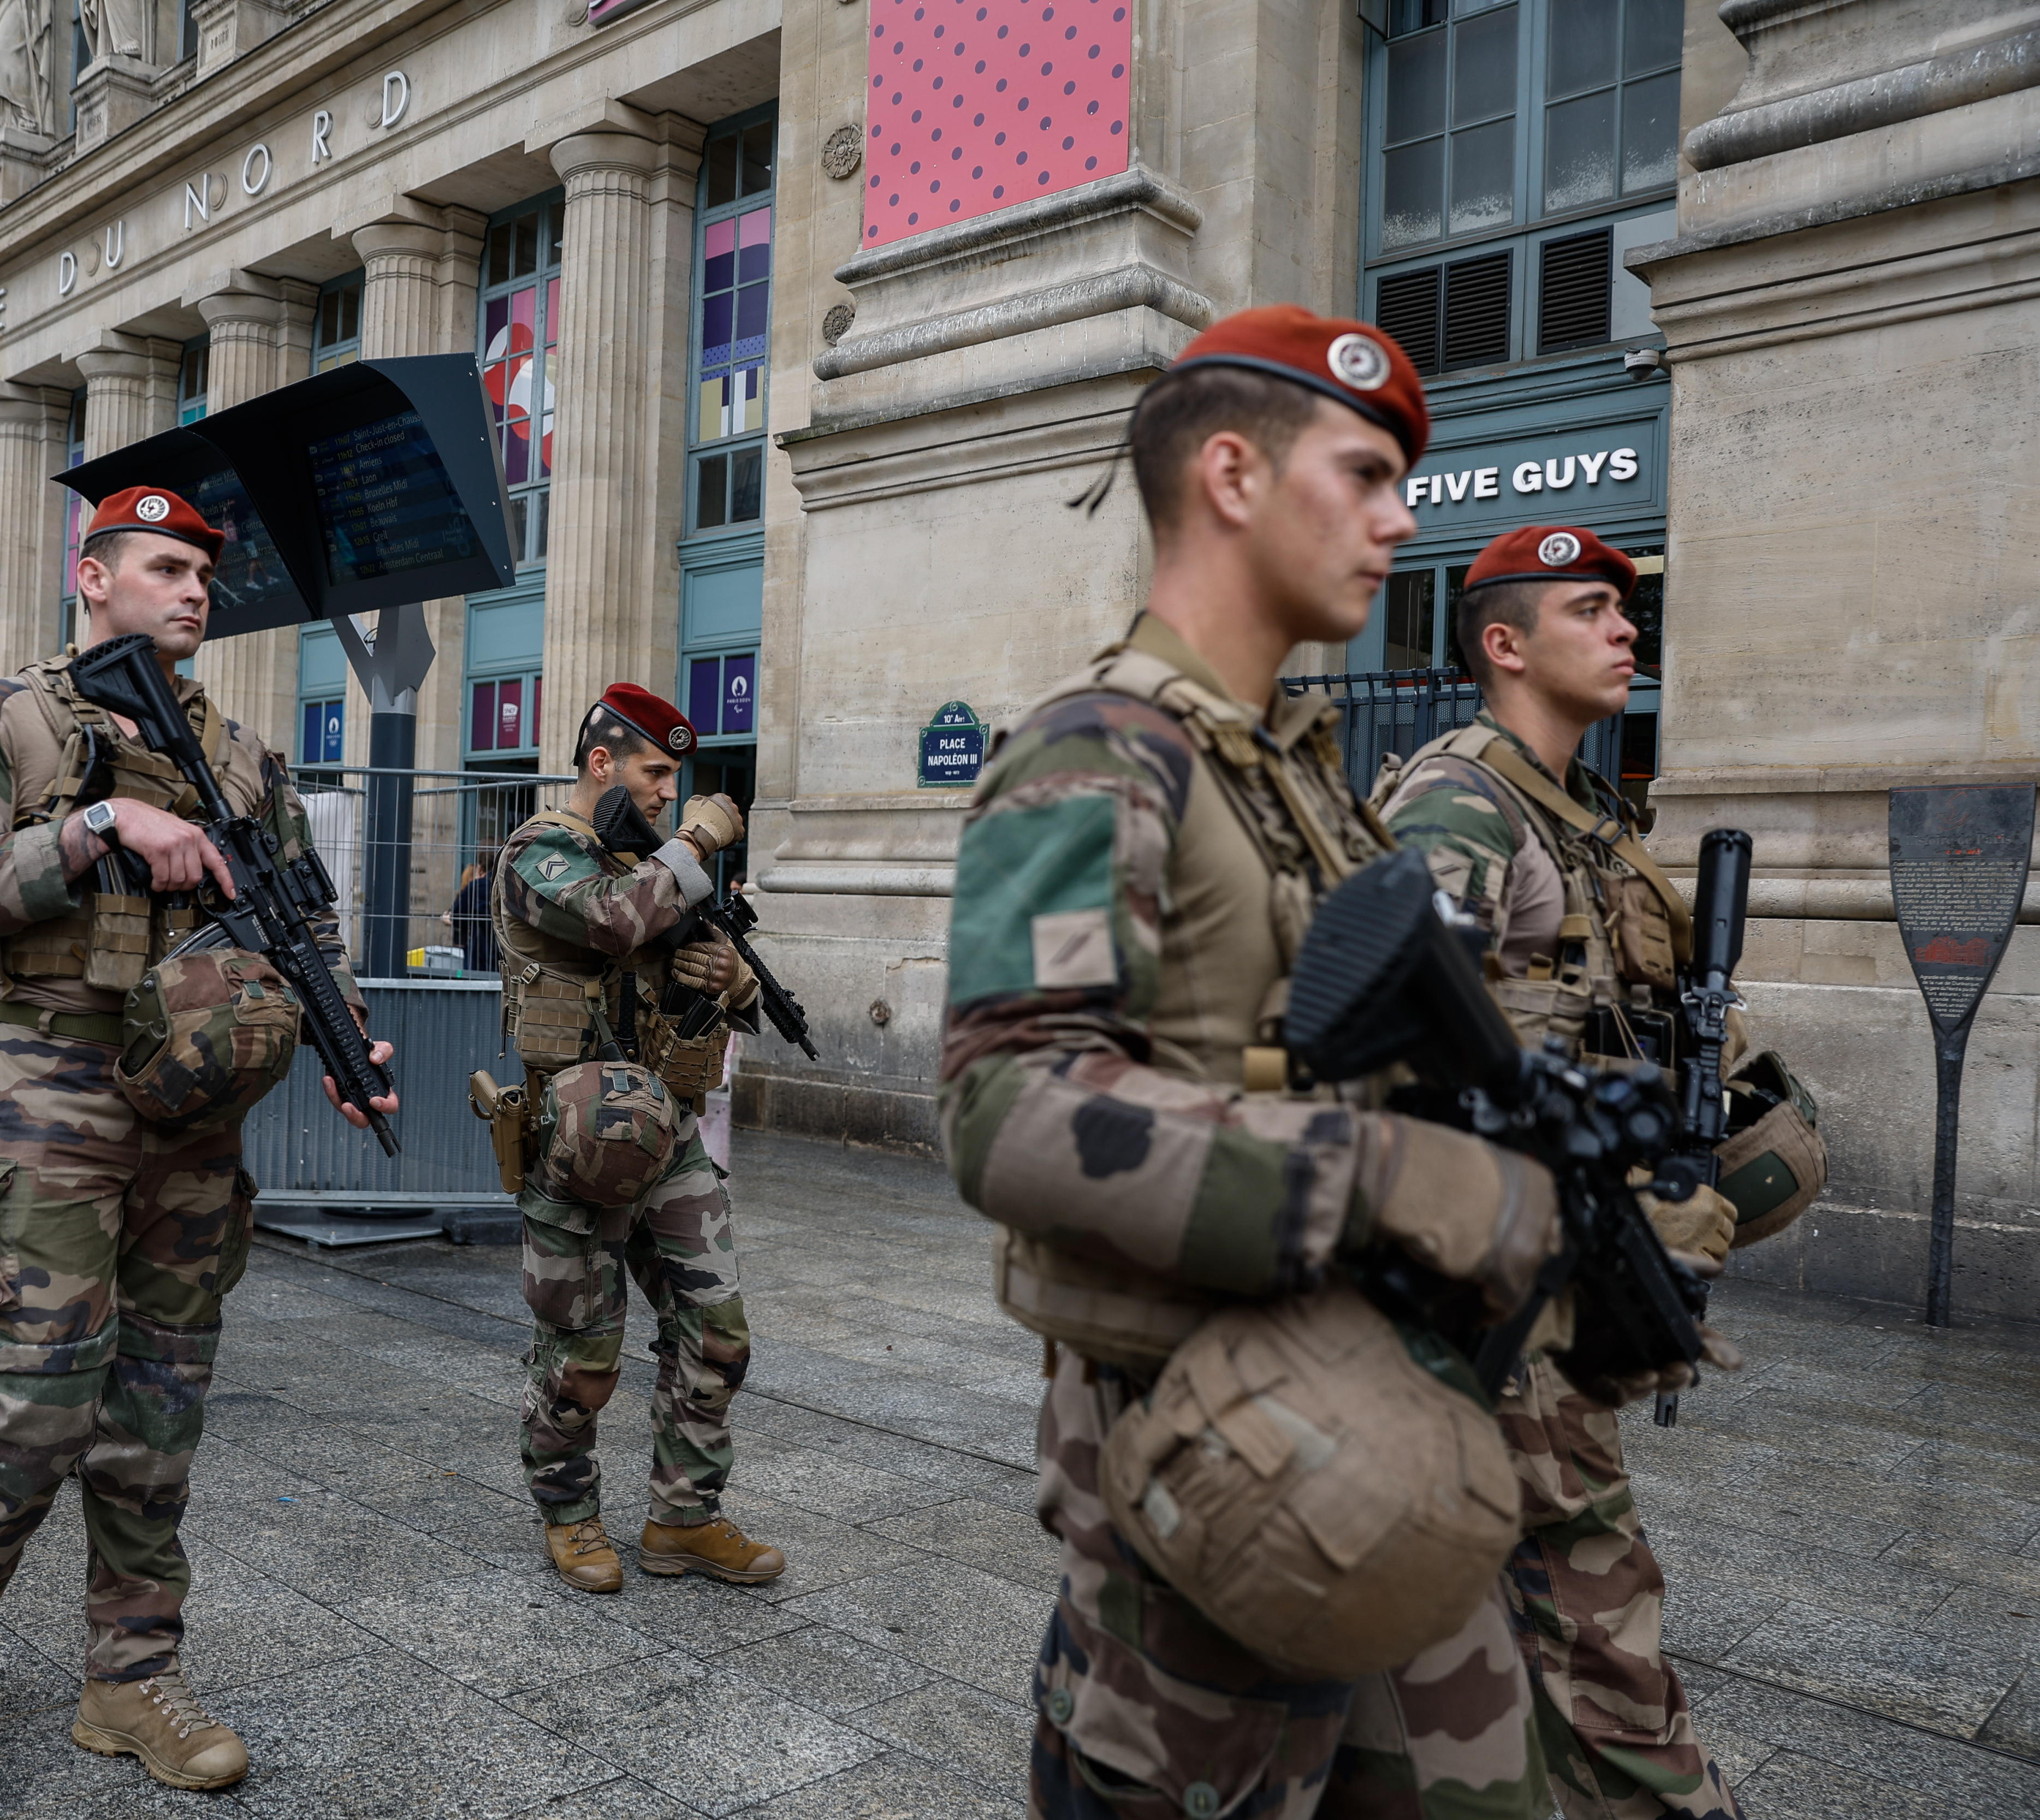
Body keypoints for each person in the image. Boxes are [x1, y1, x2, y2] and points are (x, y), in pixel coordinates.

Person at [939, 307, 1609, 1817]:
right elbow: (1006, 1103)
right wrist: (1379, 1172)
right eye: (1366, 473)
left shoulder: (1293, 773)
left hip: (1366, 1424)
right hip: (1212, 1461)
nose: (1398, 518)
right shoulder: (1097, 753)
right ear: (1233, 474)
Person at [0, 484, 395, 1790]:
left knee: (161, 1403)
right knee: (40, 1401)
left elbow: (305, 921)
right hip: (56, 1085)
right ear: (93, 576)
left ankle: (131, 1678)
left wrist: (345, 1038)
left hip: (197, 1108)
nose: (193, 591)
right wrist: (96, 827)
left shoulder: (245, 759)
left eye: (202, 575)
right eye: (166, 566)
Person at [1378, 524, 1823, 1820]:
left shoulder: (1582, 814)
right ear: (1504, 645)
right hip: (1492, 1300)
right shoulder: (1462, 802)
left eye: (1627, 611)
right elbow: (1391, 1057)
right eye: (1591, 608)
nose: (1626, 628)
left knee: (1467, 1642)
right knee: (1597, 1621)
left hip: (1556, 1281)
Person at [492, 684, 780, 1598]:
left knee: (718, 1332)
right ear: (602, 762)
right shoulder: (543, 849)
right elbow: (616, 917)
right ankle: (570, 1516)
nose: (668, 791)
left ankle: (683, 1519)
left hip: (670, 1134)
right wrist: (697, 839)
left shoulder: (645, 864)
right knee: (582, 1353)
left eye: (677, 778)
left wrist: (730, 979)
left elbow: (737, 999)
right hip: (577, 1137)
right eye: (656, 771)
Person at [445, 853, 499, 973]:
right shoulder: (508, 885)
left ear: (480, 868)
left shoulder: (476, 887)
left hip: (478, 950)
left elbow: (458, 917)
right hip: (506, 951)